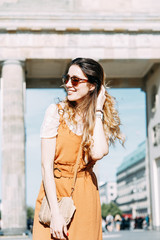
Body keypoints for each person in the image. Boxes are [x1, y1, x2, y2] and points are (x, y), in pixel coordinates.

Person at [32, 57, 124, 240]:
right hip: (54, 194)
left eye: (75, 80)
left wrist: (98, 109)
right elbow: (46, 167)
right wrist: (56, 215)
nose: (68, 84)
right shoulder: (55, 112)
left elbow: (98, 152)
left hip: (85, 195)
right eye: (66, 78)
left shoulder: (97, 119)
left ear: (92, 86)